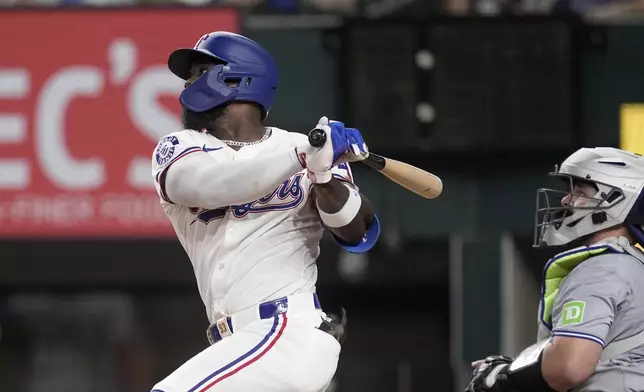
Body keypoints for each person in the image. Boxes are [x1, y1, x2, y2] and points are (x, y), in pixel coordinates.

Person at [149, 31, 380, 392]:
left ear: (237, 78)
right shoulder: (181, 146)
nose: (189, 83)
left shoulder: (303, 148)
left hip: (288, 332)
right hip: (235, 345)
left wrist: (323, 174)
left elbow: (352, 228)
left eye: (200, 71)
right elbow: (213, 184)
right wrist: (304, 155)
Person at [467, 147, 644, 392]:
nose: (565, 200)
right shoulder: (635, 267)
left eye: (579, 191)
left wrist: (502, 377)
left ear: (614, 200)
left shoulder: (600, 270)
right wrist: (520, 368)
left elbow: (569, 367)